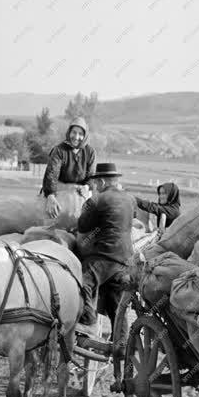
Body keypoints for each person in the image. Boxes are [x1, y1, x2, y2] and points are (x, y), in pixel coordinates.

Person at [75, 163, 134, 339]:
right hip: (126, 259)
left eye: (94, 183)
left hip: (105, 256)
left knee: (81, 280)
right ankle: (122, 343)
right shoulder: (130, 199)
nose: (93, 186)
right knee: (116, 306)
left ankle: (88, 323)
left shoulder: (97, 199)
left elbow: (83, 226)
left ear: (101, 182)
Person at [42, 116, 96, 218]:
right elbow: (51, 175)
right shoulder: (59, 150)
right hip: (60, 192)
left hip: (81, 193)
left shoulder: (90, 152)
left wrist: (87, 186)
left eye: (80, 134)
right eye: (74, 132)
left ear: (85, 135)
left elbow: (92, 176)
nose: (76, 137)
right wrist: (50, 195)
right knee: (52, 219)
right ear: (69, 132)